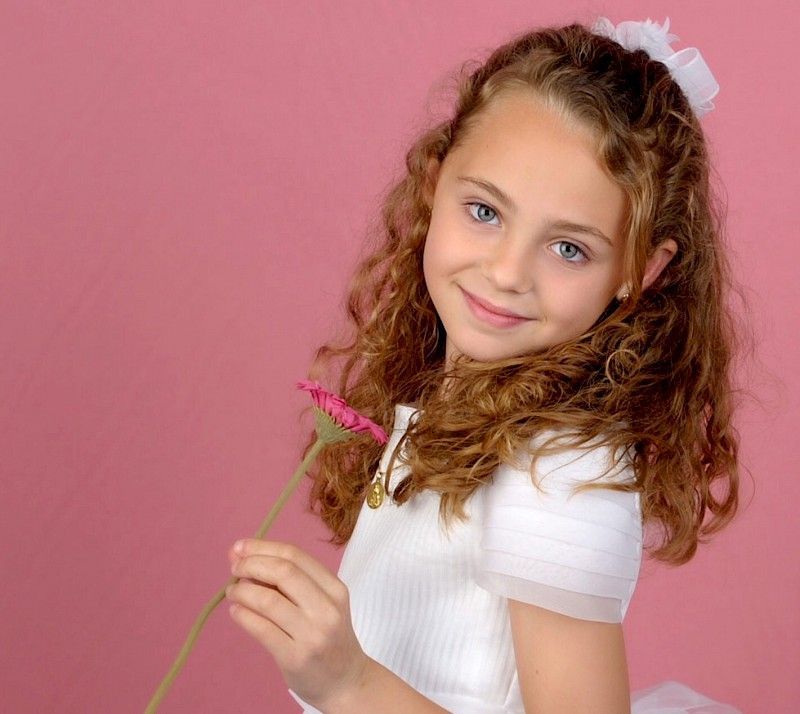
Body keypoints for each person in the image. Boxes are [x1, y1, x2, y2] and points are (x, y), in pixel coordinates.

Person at [224, 16, 745, 713]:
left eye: (569, 250)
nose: (505, 273)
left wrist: (350, 683)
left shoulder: (560, 470)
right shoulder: (466, 406)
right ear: (435, 185)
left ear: (638, 271)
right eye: (484, 210)